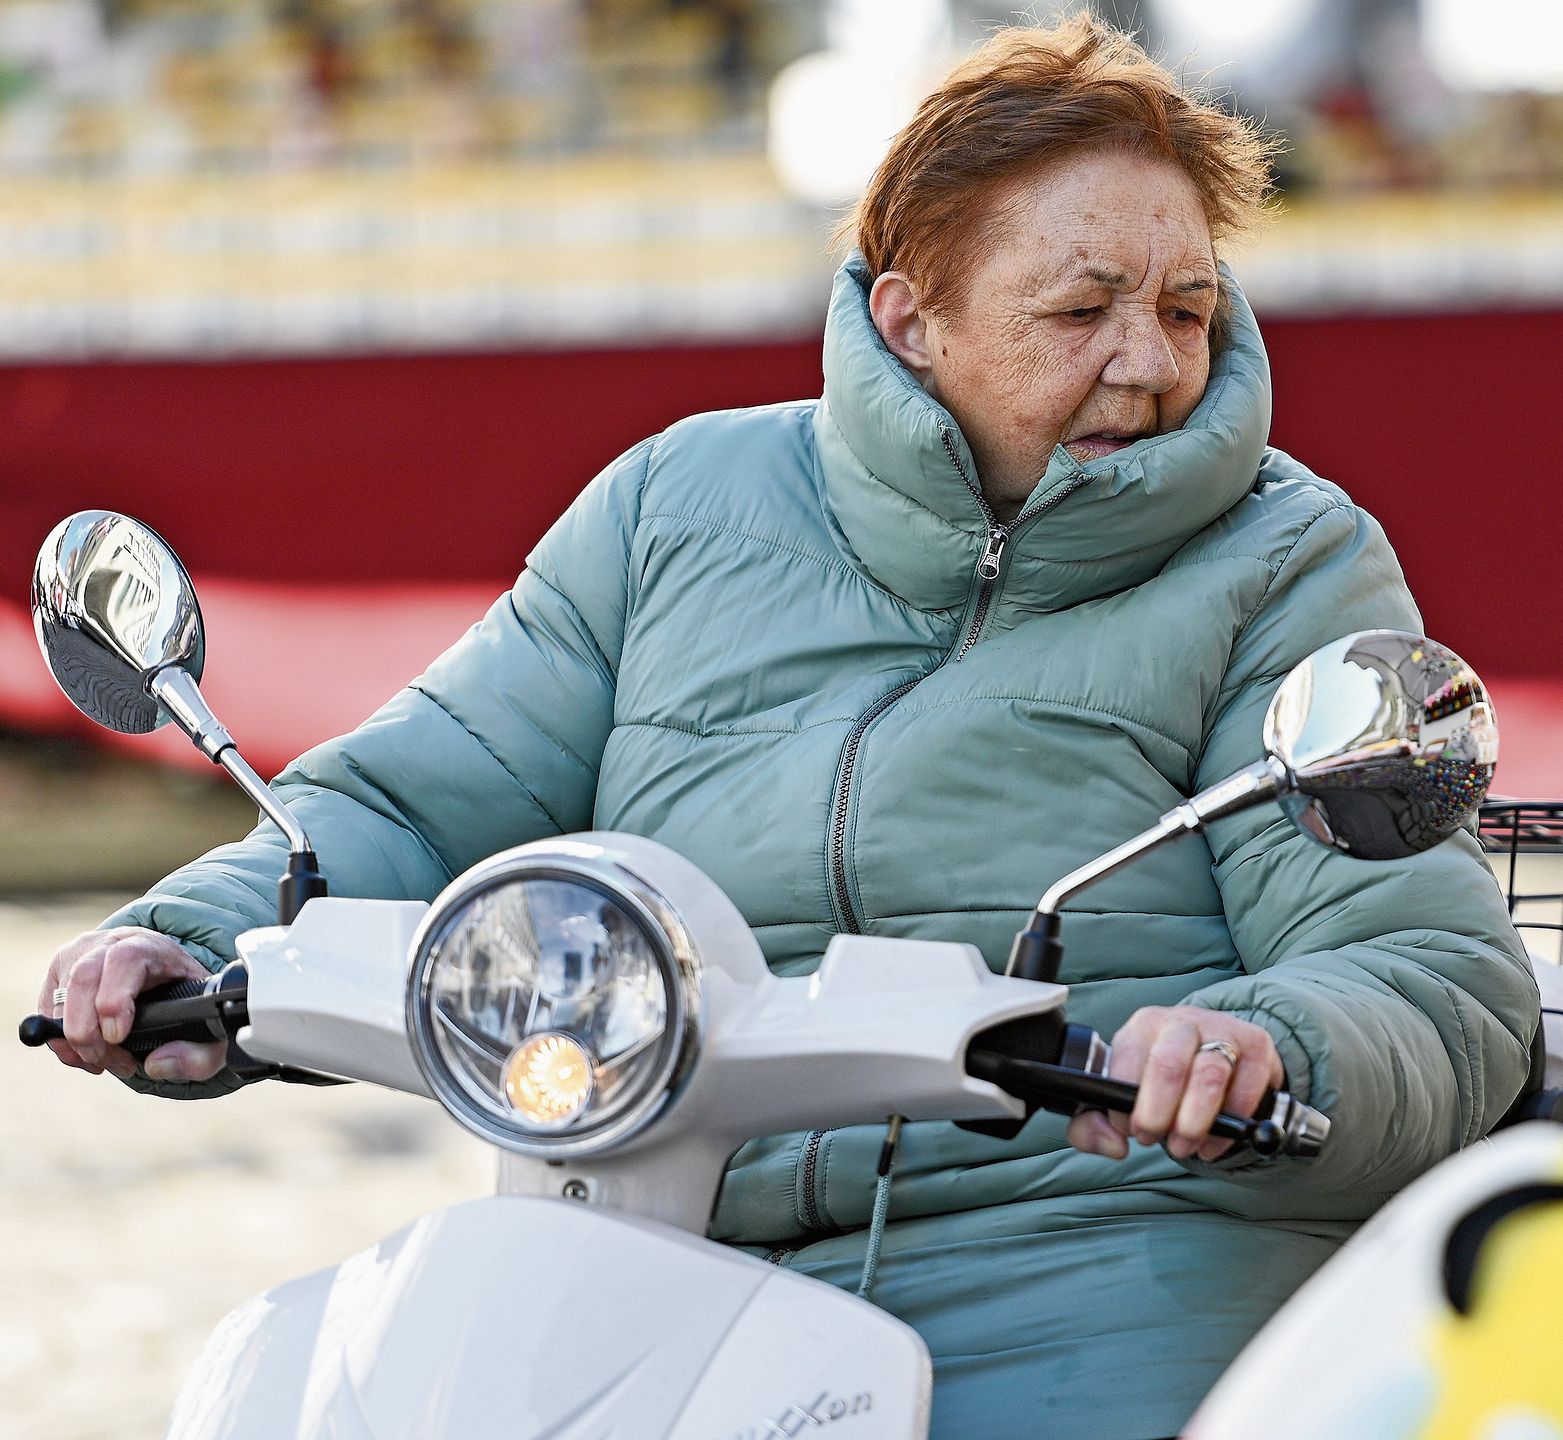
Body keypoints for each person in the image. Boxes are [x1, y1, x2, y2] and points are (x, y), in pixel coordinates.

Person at [40, 16, 1538, 1439]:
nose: (1149, 361)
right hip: (660, 1264)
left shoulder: (1286, 560)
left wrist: (1256, 1047)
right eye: (1081, 311)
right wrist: (193, 938)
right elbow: (420, 798)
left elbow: (1430, 969)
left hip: (1099, 1253)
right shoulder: (674, 506)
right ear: (911, 316)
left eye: (1188, 309)